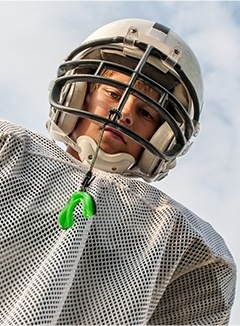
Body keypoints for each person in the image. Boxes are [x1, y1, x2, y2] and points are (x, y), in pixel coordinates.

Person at [0, 18, 236, 325]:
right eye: (113, 93)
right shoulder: (11, 153)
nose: (123, 112)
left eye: (145, 112)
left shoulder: (171, 235)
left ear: (160, 139)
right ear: (78, 91)